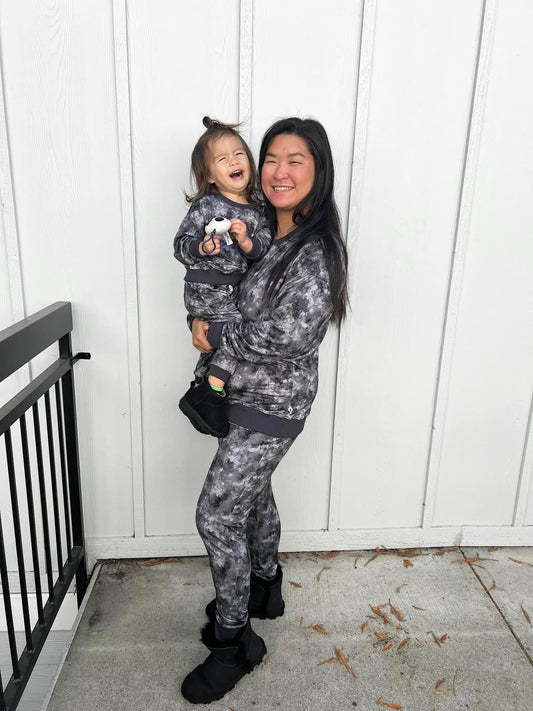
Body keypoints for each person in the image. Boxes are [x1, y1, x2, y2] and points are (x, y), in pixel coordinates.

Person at [180, 117, 348, 704]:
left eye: (295, 160)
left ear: (318, 170)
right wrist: (200, 319)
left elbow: (290, 335)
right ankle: (264, 586)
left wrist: (218, 334)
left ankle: (234, 643)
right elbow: (224, 290)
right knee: (252, 495)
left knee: (217, 515)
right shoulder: (261, 229)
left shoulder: (315, 249)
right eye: (271, 158)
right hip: (240, 393)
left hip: (272, 402)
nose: (278, 171)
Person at [174, 116, 271, 437]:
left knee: (221, 340)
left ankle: (202, 386)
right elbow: (180, 245)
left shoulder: (258, 212)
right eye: (223, 158)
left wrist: (246, 242)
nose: (233, 161)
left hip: (231, 292)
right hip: (205, 288)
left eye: (239, 154)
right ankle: (210, 393)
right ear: (210, 176)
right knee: (238, 334)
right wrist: (201, 247)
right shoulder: (206, 205)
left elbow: (263, 248)